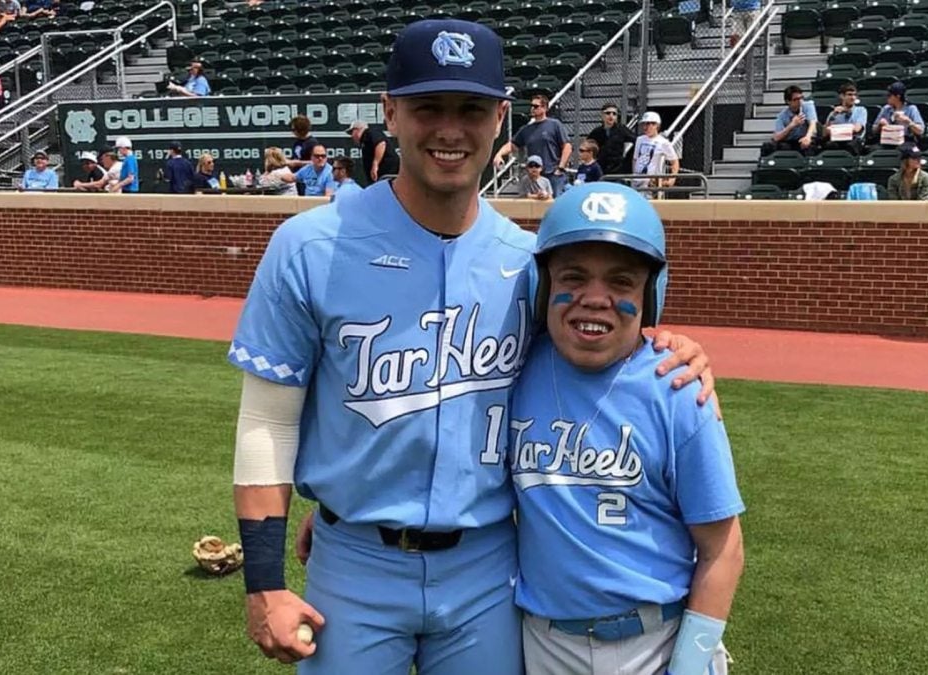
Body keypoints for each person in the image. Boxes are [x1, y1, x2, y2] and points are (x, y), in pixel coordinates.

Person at [229, 18, 715, 675]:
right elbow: (266, 421)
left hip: (486, 564)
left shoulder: (529, 263)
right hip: (355, 558)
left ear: (502, 119)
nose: (450, 130)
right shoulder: (310, 245)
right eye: (429, 106)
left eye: (472, 109)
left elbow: (598, 342)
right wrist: (263, 581)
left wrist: (669, 343)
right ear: (390, 112)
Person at [513, 181, 743, 675]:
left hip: (657, 642)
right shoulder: (515, 372)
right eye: (572, 276)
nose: (595, 299)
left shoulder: (677, 387)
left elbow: (724, 548)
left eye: (621, 282)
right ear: (543, 286)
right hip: (545, 643)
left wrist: (690, 661)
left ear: (650, 294)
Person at [493, 94, 572, 197]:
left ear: (545, 108)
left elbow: (567, 146)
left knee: (555, 203)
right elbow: (512, 145)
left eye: (536, 106)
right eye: (531, 106)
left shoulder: (555, 125)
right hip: (535, 175)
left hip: (553, 173)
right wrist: (499, 154)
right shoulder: (526, 129)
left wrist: (560, 168)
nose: (532, 109)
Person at [632, 111, 680, 195]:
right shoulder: (639, 139)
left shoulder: (663, 142)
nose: (645, 127)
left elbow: (674, 161)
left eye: (648, 124)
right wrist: (634, 174)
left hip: (651, 183)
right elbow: (635, 159)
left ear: (656, 125)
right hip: (637, 180)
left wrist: (672, 179)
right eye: (644, 124)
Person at [761, 85, 817, 156]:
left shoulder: (808, 105)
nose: (800, 101)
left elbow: (813, 123)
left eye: (801, 98)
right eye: (796, 99)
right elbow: (776, 137)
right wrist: (792, 125)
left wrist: (808, 137)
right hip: (790, 141)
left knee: (810, 146)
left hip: (805, 138)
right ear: (788, 101)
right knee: (768, 146)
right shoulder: (782, 116)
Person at [585, 103, 636, 176]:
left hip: (617, 170)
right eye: (608, 113)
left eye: (614, 114)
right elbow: (588, 146)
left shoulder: (622, 130)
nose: (611, 116)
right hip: (601, 169)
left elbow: (635, 141)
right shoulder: (596, 132)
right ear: (602, 115)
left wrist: (626, 159)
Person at [347, 119, 400, 184]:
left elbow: (381, 143)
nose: (351, 136)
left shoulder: (370, 132)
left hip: (388, 174)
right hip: (381, 178)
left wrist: (375, 165)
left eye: (351, 132)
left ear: (357, 129)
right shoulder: (365, 141)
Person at [822, 82, 867, 155]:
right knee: (829, 146)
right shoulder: (833, 113)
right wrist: (833, 116)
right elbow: (825, 133)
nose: (853, 98)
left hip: (853, 140)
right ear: (842, 96)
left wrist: (835, 130)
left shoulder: (861, 110)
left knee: (851, 146)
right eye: (849, 95)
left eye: (855, 95)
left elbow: (856, 129)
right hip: (837, 140)